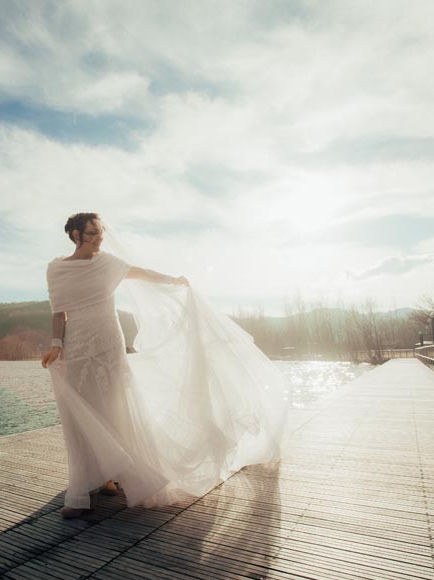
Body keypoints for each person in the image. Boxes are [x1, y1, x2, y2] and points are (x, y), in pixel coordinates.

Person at [43, 212, 288, 518]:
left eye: (101, 232)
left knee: (114, 404)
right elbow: (59, 312)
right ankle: (85, 485)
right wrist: (56, 345)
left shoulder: (108, 264)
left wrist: (175, 281)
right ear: (75, 235)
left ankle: (109, 475)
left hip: (108, 342)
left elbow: (142, 273)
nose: (100, 238)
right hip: (76, 345)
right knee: (81, 412)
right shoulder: (56, 270)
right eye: (93, 233)